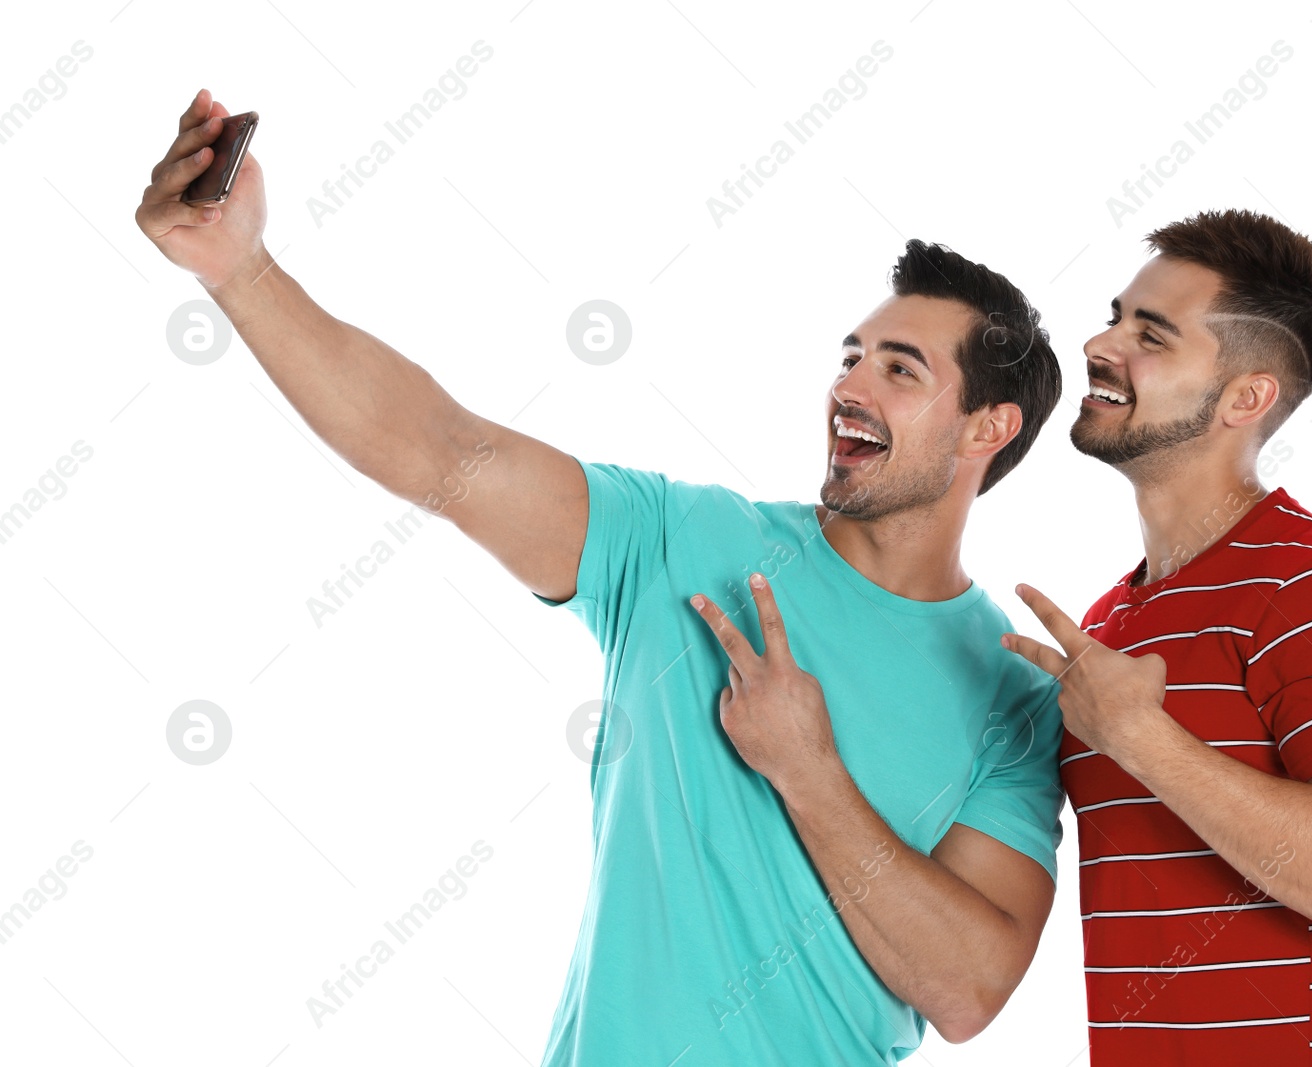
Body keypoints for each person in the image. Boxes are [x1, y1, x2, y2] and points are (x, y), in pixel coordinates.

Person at [135, 89, 1069, 1064]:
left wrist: (807, 768)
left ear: (986, 428)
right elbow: (440, 449)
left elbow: (967, 989)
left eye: (900, 370)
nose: (849, 386)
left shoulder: (1014, 686)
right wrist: (241, 271)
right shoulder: (692, 541)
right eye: (853, 356)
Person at [1002, 208, 1312, 1063]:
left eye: (1152, 335)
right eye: (1114, 316)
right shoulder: (1111, 622)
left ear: (1245, 397)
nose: (1101, 344)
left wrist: (1142, 738)